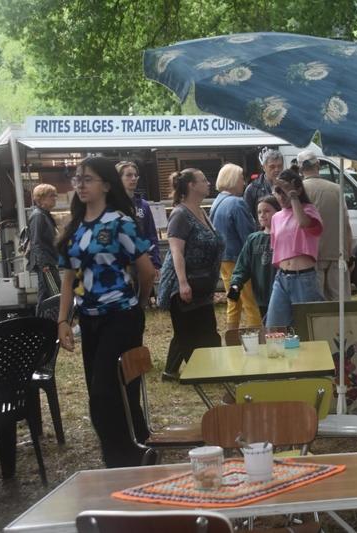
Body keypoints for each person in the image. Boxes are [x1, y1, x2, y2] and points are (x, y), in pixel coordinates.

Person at [56, 156, 155, 468]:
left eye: (88, 179)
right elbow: (68, 279)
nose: (81, 185)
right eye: (78, 179)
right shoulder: (74, 227)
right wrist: (63, 320)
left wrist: (137, 305)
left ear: (106, 185)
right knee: (109, 393)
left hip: (122, 316)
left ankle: (121, 461)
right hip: (89, 319)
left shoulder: (120, 223)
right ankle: (140, 449)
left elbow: (147, 272)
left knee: (105, 394)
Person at [157, 168, 223, 379]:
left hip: (203, 282)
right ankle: (198, 370)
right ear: (191, 186)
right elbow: (176, 250)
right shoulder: (180, 214)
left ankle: (172, 371)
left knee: (203, 328)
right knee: (189, 331)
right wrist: (183, 283)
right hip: (185, 282)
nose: (208, 183)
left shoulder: (202, 211)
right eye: (203, 180)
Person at [265, 168, 324, 327]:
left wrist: (293, 196)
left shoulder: (308, 210)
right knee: (274, 327)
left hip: (304, 277)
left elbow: (304, 223)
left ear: (298, 190)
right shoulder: (276, 217)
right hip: (282, 277)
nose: (281, 196)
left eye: (285, 191)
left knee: (308, 327)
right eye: (278, 191)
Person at [210, 163, 261, 330]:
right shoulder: (237, 203)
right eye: (241, 178)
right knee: (251, 303)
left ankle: (231, 337)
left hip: (224, 260)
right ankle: (260, 338)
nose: (244, 182)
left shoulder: (217, 202)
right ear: (232, 180)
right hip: (240, 260)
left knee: (233, 302)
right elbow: (249, 236)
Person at [297, 149, 353, 300]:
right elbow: (346, 225)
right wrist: (349, 254)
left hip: (311, 257)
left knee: (317, 307)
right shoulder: (336, 189)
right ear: (318, 165)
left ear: (300, 169)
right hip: (337, 255)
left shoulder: (298, 192)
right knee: (341, 304)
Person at [228, 196, 280, 319]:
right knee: (269, 331)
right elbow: (243, 266)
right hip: (262, 297)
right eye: (259, 212)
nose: (262, 215)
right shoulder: (253, 239)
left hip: (281, 294)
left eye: (267, 211)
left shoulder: (283, 236)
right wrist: (236, 284)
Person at [116, 161, 162, 271]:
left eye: (135, 175)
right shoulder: (113, 205)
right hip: (122, 264)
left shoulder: (143, 205)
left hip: (144, 260)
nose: (133, 178)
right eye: (128, 175)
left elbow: (151, 235)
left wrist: (155, 263)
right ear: (118, 179)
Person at [27, 183, 60, 313]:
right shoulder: (38, 216)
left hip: (49, 260)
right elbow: (36, 242)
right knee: (52, 293)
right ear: (41, 199)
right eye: (51, 196)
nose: (54, 199)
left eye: (55, 196)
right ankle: (42, 321)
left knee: (48, 293)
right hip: (45, 263)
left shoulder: (45, 214)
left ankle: (44, 321)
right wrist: (43, 263)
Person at [243, 148, 284, 217]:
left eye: (279, 166)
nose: (277, 170)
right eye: (272, 167)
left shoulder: (288, 186)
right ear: (264, 167)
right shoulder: (253, 188)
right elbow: (248, 216)